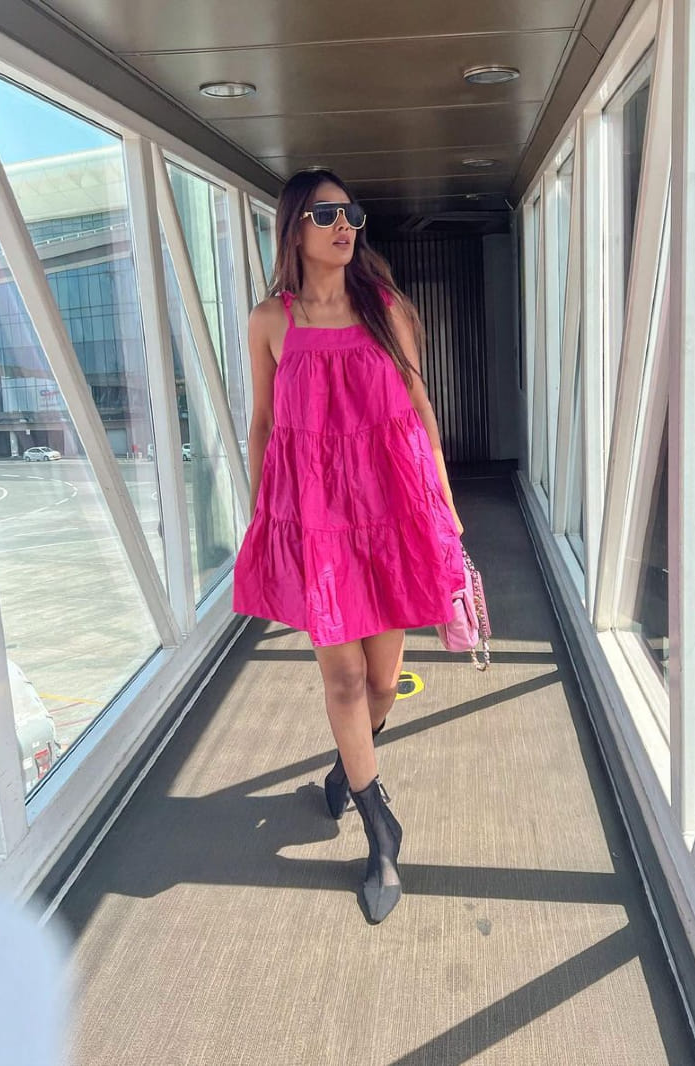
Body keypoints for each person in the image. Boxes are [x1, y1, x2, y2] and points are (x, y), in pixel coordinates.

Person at [232, 168, 465, 923]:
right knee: (343, 681)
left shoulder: (385, 308)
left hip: (391, 513)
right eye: (327, 214)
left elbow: (420, 407)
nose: (345, 226)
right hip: (317, 521)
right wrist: (263, 513)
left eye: (352, 214)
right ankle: (379, 830)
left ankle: (348, 765)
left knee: (381, 683)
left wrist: (446, 508)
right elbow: (264, 424)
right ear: (294, 226)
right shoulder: (270, 320)